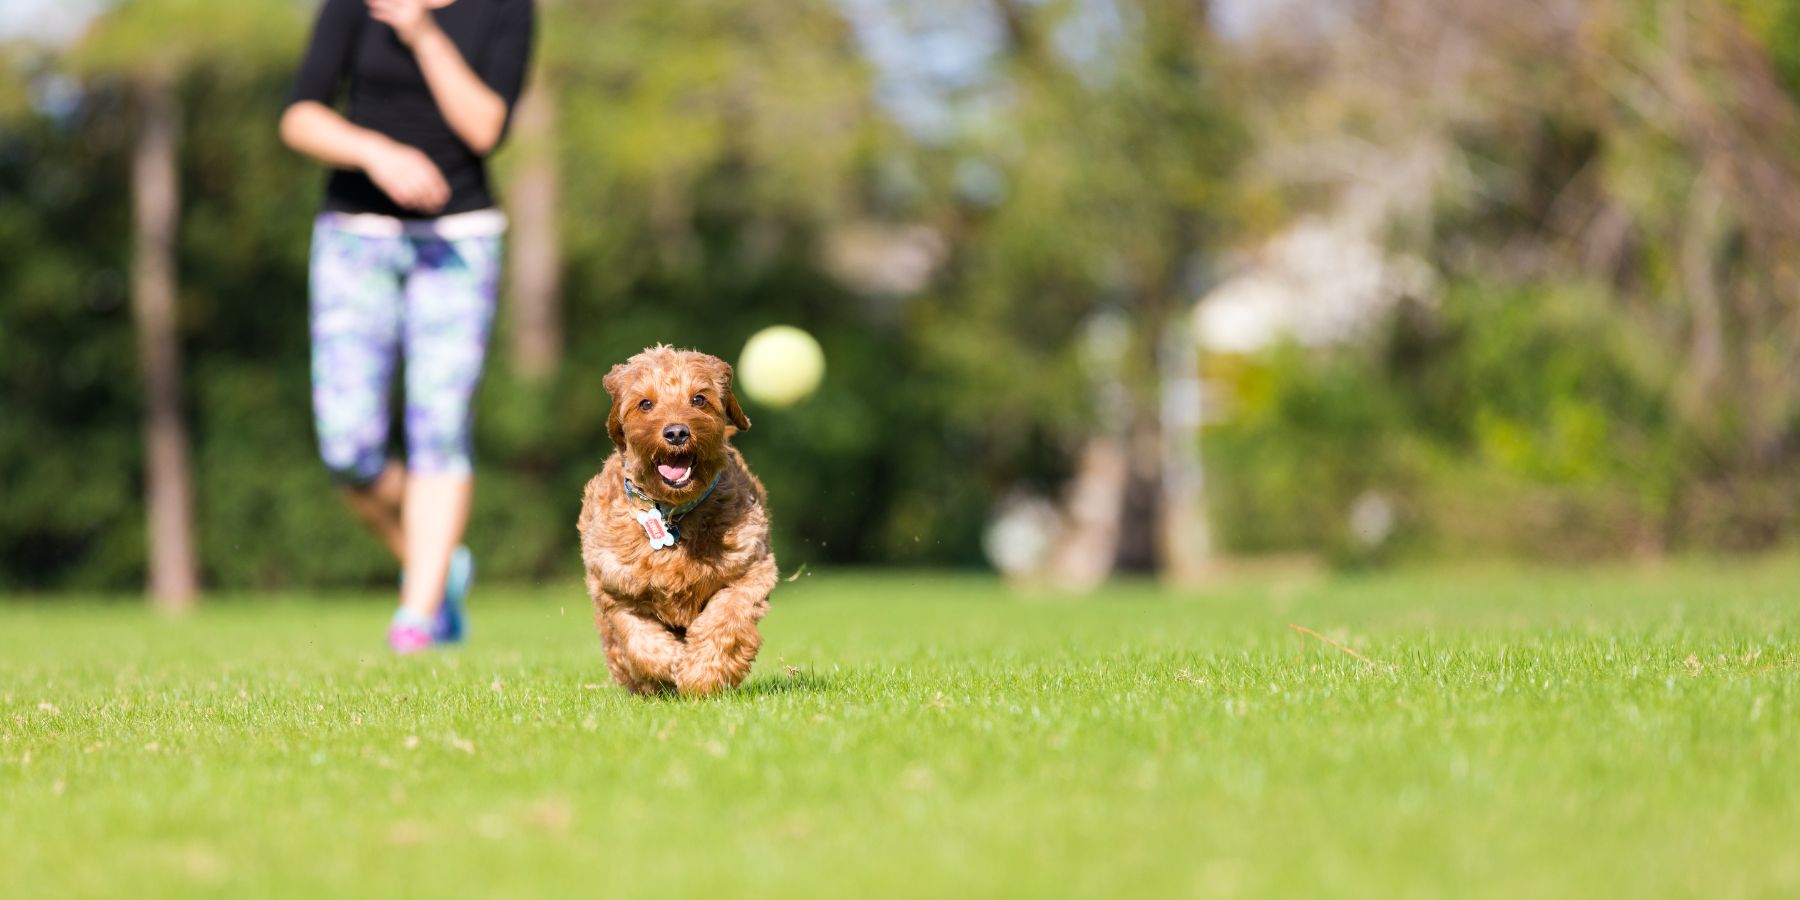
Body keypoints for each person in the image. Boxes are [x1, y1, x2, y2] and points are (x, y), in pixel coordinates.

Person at [280, 0, 534, 652]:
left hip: (459, 239)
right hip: (353, 238)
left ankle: (417, 617)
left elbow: (485, 129)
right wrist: (374, 152)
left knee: (440, 430)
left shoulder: (505, 9)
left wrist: (423, 34)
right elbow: (301, 115)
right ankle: (437, 564)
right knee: (348, 446)